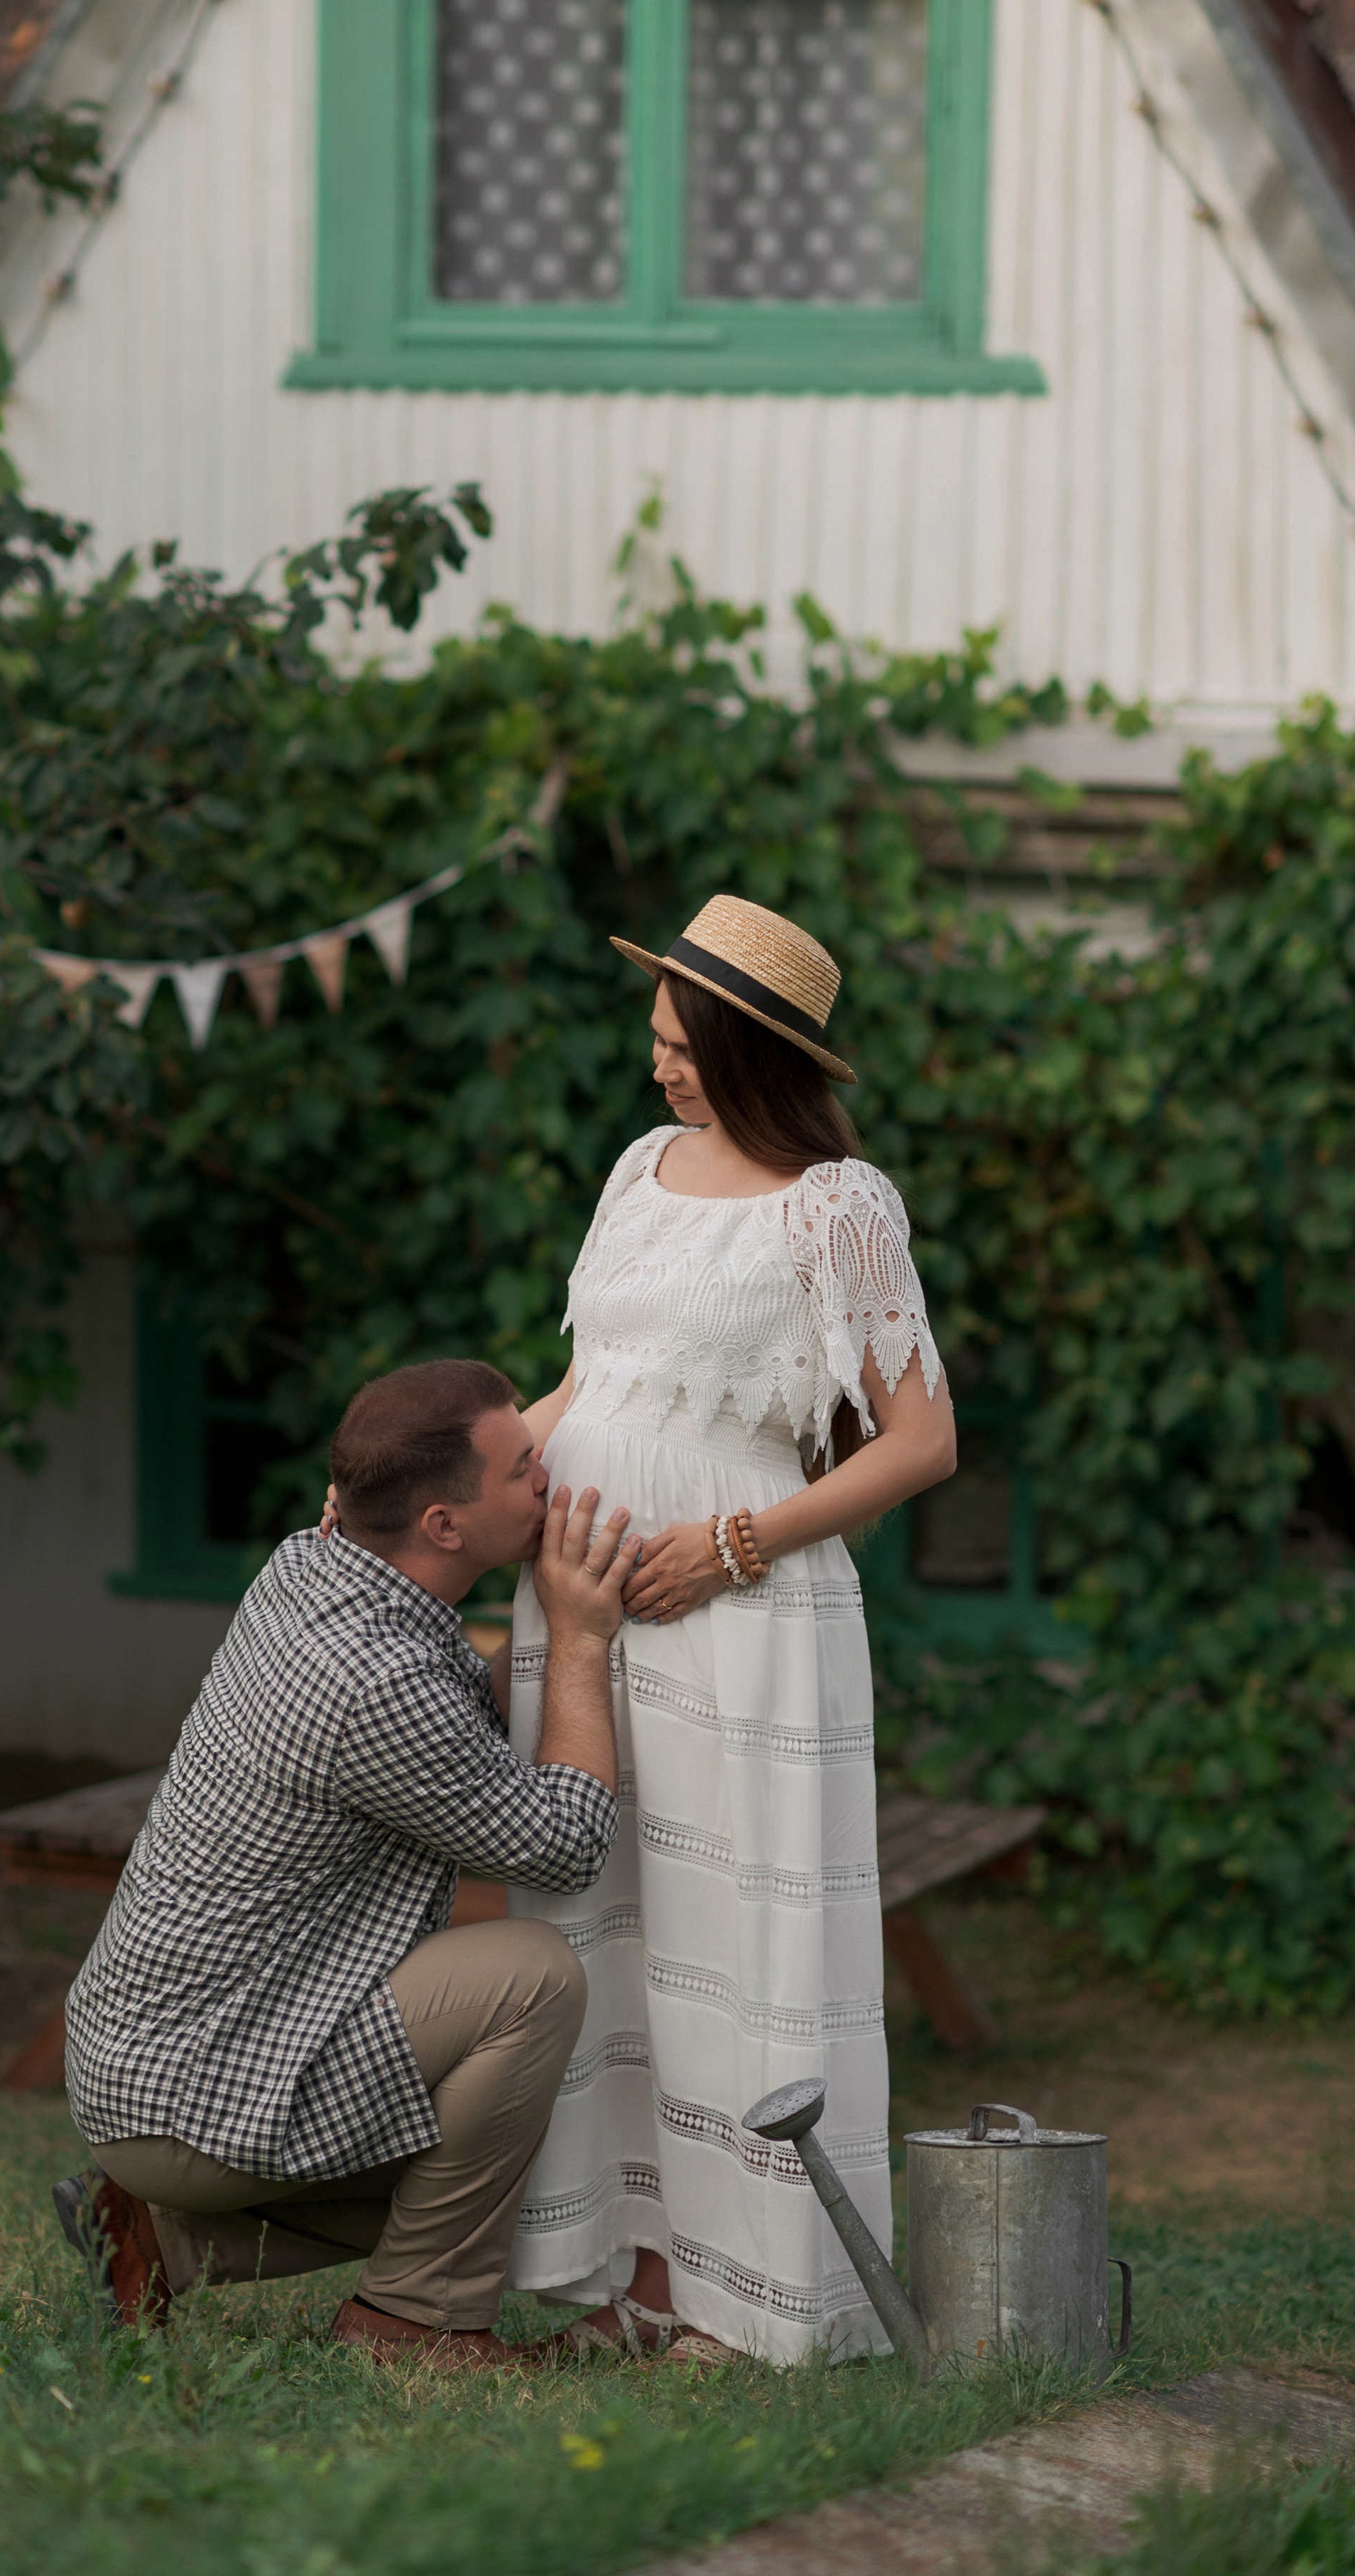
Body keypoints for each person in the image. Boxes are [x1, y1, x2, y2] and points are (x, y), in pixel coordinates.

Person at [502, 894, 957, 2367]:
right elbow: (586, 1389)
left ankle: (754, 2309)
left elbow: (919, 1440)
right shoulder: (636, 1172)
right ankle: (635, 2274)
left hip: (738, 1613)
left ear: (750, 1049)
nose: (659, 1069)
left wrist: (730, 1542)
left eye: (681, 1044)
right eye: (652, 1038)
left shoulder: (839, 1205)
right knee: (603, 1925)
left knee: (737, 1935)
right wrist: (435, 1487)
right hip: (576, 1606)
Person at [53, 1358, 641, 2370]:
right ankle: (412, 2324)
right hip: (204, 2083)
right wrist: (581, 1639)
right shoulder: (374, 1678)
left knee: (489, 2153)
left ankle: (160, 2238)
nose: (548, 1476)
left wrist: (607, 1367)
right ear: (443, 1526)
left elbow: (459, 1706)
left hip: (145, 2064)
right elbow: (566, 1841)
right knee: (531, 1982)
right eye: (523, 1470)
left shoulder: (317, 1562)